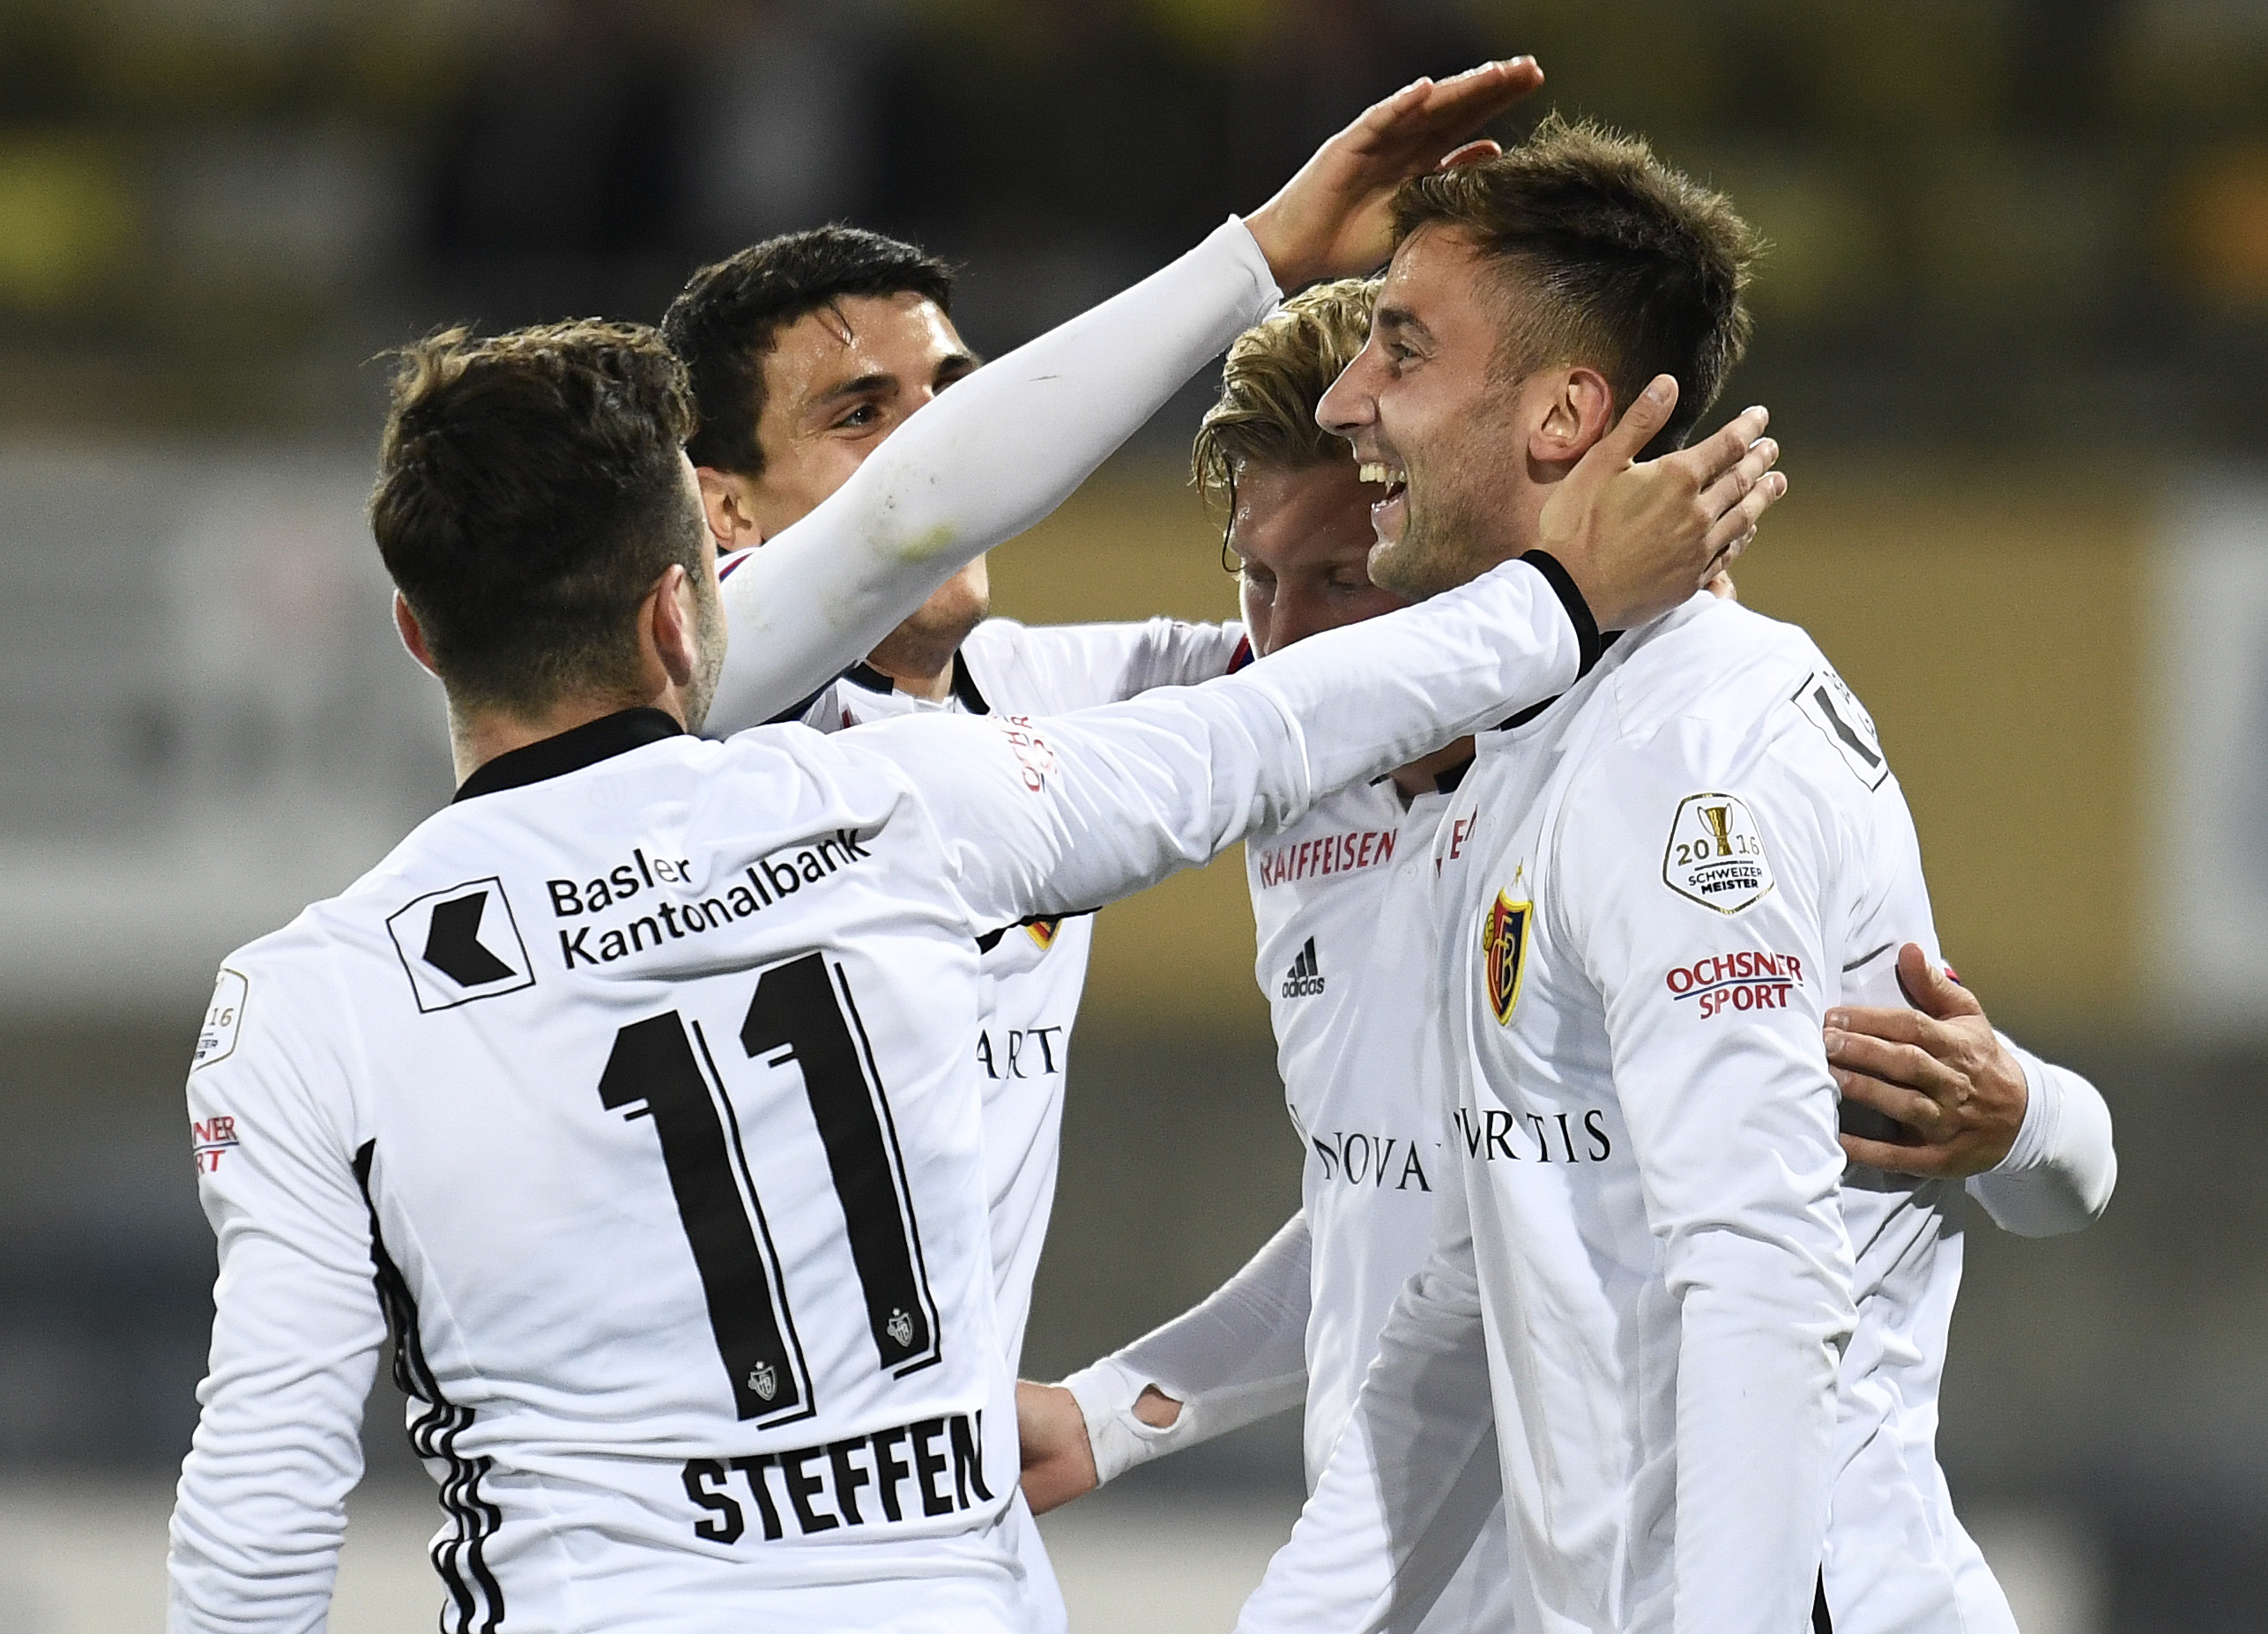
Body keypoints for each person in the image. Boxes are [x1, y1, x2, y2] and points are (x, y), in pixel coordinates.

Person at [165, 73, 1778, 1634]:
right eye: (862, 414)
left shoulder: (310, 1003)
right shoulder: (910, 809)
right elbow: (1254, 723)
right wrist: (1564, 592)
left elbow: (262, 1506)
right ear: (694, 581)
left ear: (414, 631)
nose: (921, 452)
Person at [1017, 278, 2117, 1632]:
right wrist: (1119, 1409)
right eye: (1256, 577)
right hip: (1427, 1576)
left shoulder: (1649, 781)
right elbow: (1400, 1199)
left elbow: (1788, 1247)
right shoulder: (1283, 773)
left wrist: (2025, 1114)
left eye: (1339, 580)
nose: (1285, 637)